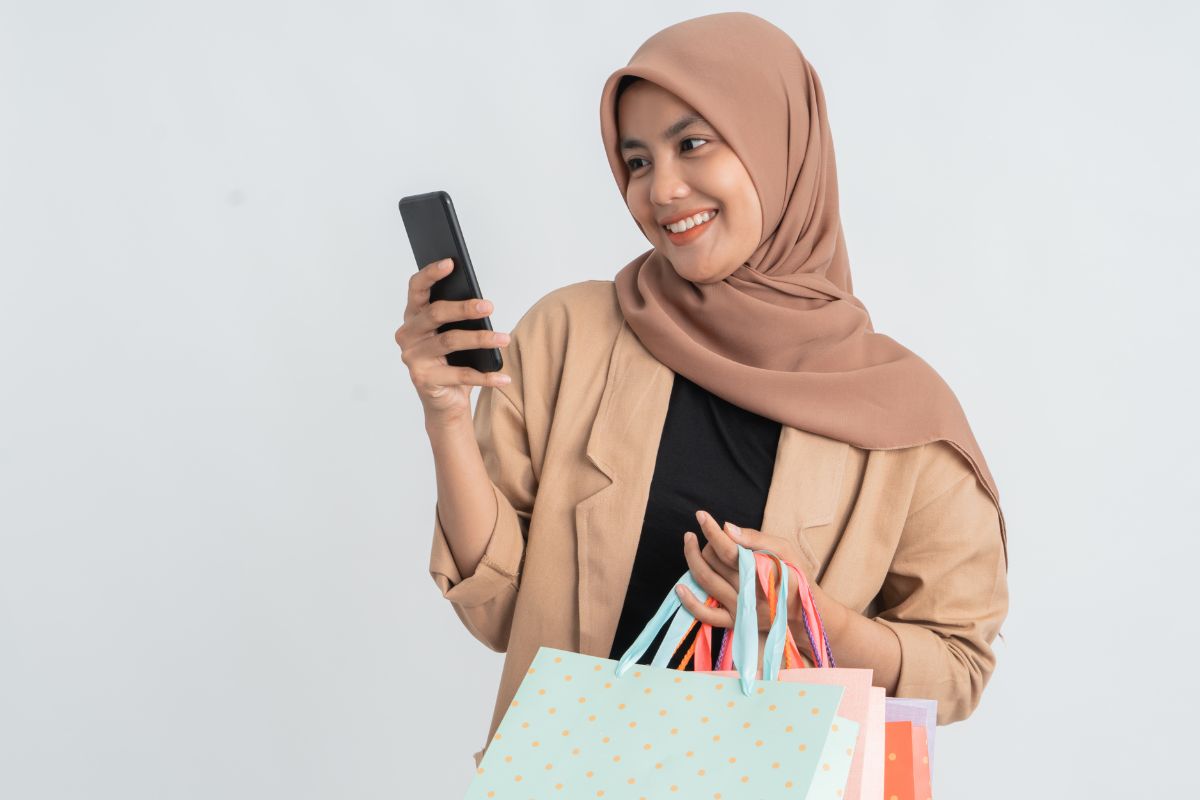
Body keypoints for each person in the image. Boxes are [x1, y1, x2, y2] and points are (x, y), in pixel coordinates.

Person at [395, 11, 1009, 769]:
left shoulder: (902, 411)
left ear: (778, 142)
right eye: (638, 160)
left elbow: (956, 672)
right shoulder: (571, 335)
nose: (662, 189)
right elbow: (499, 612)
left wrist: (810, 619)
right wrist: (446, 416)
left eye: (692, 143)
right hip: (568, 781)